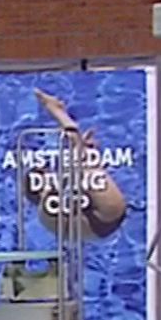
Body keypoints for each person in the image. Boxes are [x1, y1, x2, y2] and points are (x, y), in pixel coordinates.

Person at [25, 88, 127, 238]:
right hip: (105, 213)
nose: (52, 172)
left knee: (82, 166)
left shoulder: (43, 215)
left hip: (96, 229)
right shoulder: (50, 197)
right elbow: (74, 141)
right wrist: (56, 111)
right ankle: (56, 109)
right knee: (85, 163)